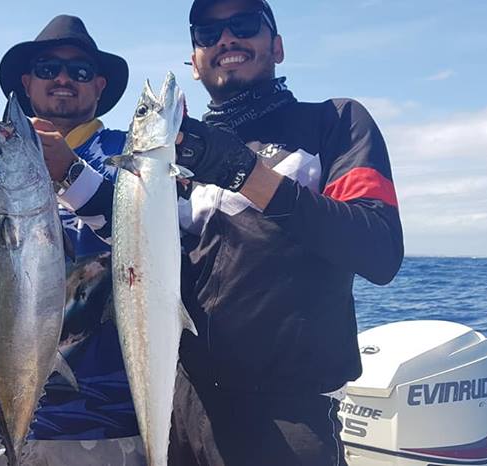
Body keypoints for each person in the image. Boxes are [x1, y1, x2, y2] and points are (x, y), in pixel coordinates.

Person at [168, 0, 405, 464]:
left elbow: (379, 250)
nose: (226, 39)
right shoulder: (182, 154)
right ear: (194, 62)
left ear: (277, 47)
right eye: (207, 33)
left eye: (243, 25)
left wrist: (243, 172)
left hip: (289, 416)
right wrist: (70, 176)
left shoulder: (335, 123)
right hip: (184, 409)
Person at [0, 15, 146, 466]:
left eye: (79, 71)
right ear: (27, 83)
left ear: (99, 86)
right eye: (48, 69)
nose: (63, 78)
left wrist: (72, 173)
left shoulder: (131, 155)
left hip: (105, 423)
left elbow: (151, 243)